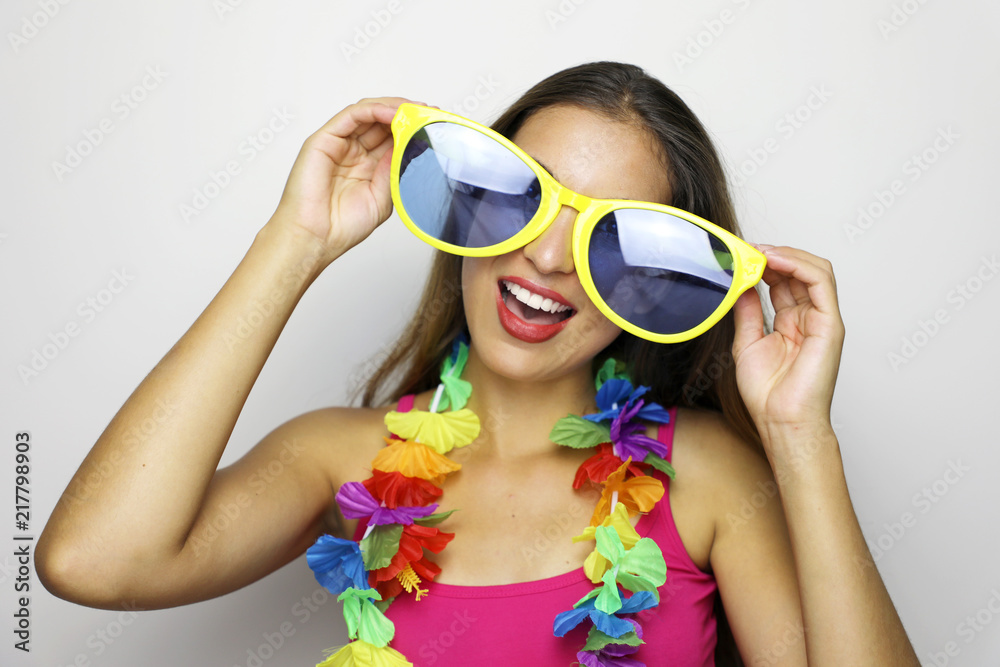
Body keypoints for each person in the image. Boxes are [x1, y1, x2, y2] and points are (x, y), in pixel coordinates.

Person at [37, 62, 919, 666]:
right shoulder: (342, 461)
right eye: (521, 199)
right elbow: (92, 562)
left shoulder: (709, 479)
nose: (546, 259)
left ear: (651, 284)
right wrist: (296, 242)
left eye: (611, 236)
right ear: (468, 205)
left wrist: (800, 434)